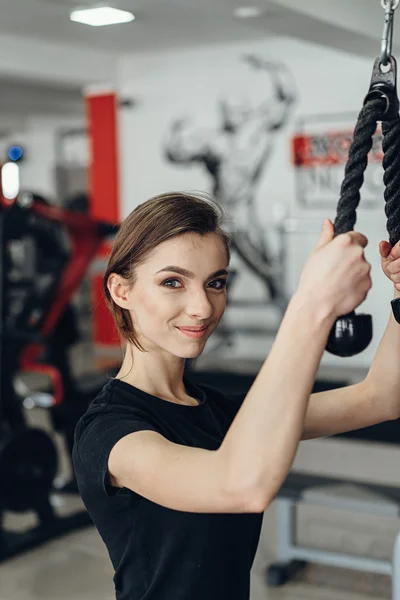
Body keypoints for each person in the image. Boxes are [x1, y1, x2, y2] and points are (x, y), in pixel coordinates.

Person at [72, 191, 400, 600]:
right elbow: (240, 485)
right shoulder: (109, 434)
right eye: (172, 282)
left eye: (216, 283)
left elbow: (381, 397)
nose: (202, 307)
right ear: (121, 291)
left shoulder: (222, 413)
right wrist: (312, 305)